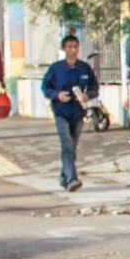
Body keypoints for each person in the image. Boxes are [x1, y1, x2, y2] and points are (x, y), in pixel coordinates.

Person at [41, 34, 98, 192]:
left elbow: (94, 87)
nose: (73, 50)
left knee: (72, 146)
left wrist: (88, 95)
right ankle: (72, 178)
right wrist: (57, 95)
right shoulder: (56, 68)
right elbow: (45, 87)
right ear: (64, 49)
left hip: (78, 113)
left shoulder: (84, 68)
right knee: (66, 144)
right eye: (70, 47)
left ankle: (63, 176)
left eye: (75, 47)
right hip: (61, 112)